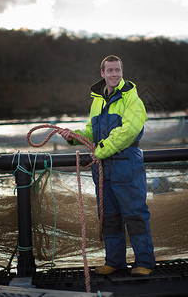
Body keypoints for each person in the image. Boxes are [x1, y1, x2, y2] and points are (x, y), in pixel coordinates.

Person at [59, 55, 155, 276]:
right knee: (109, 216)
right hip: (103, 167)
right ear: (102, 73)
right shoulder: (97, 101)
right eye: (110, 70)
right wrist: (73, 136)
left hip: (126, 164)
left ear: (122, 72)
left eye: (117, 70)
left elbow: (129, 132)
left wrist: (100, 151)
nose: (114, 74)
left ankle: (145, 263)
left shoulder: (133, 99)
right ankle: (115, 261)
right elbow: (91, 132)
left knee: (135, 215)